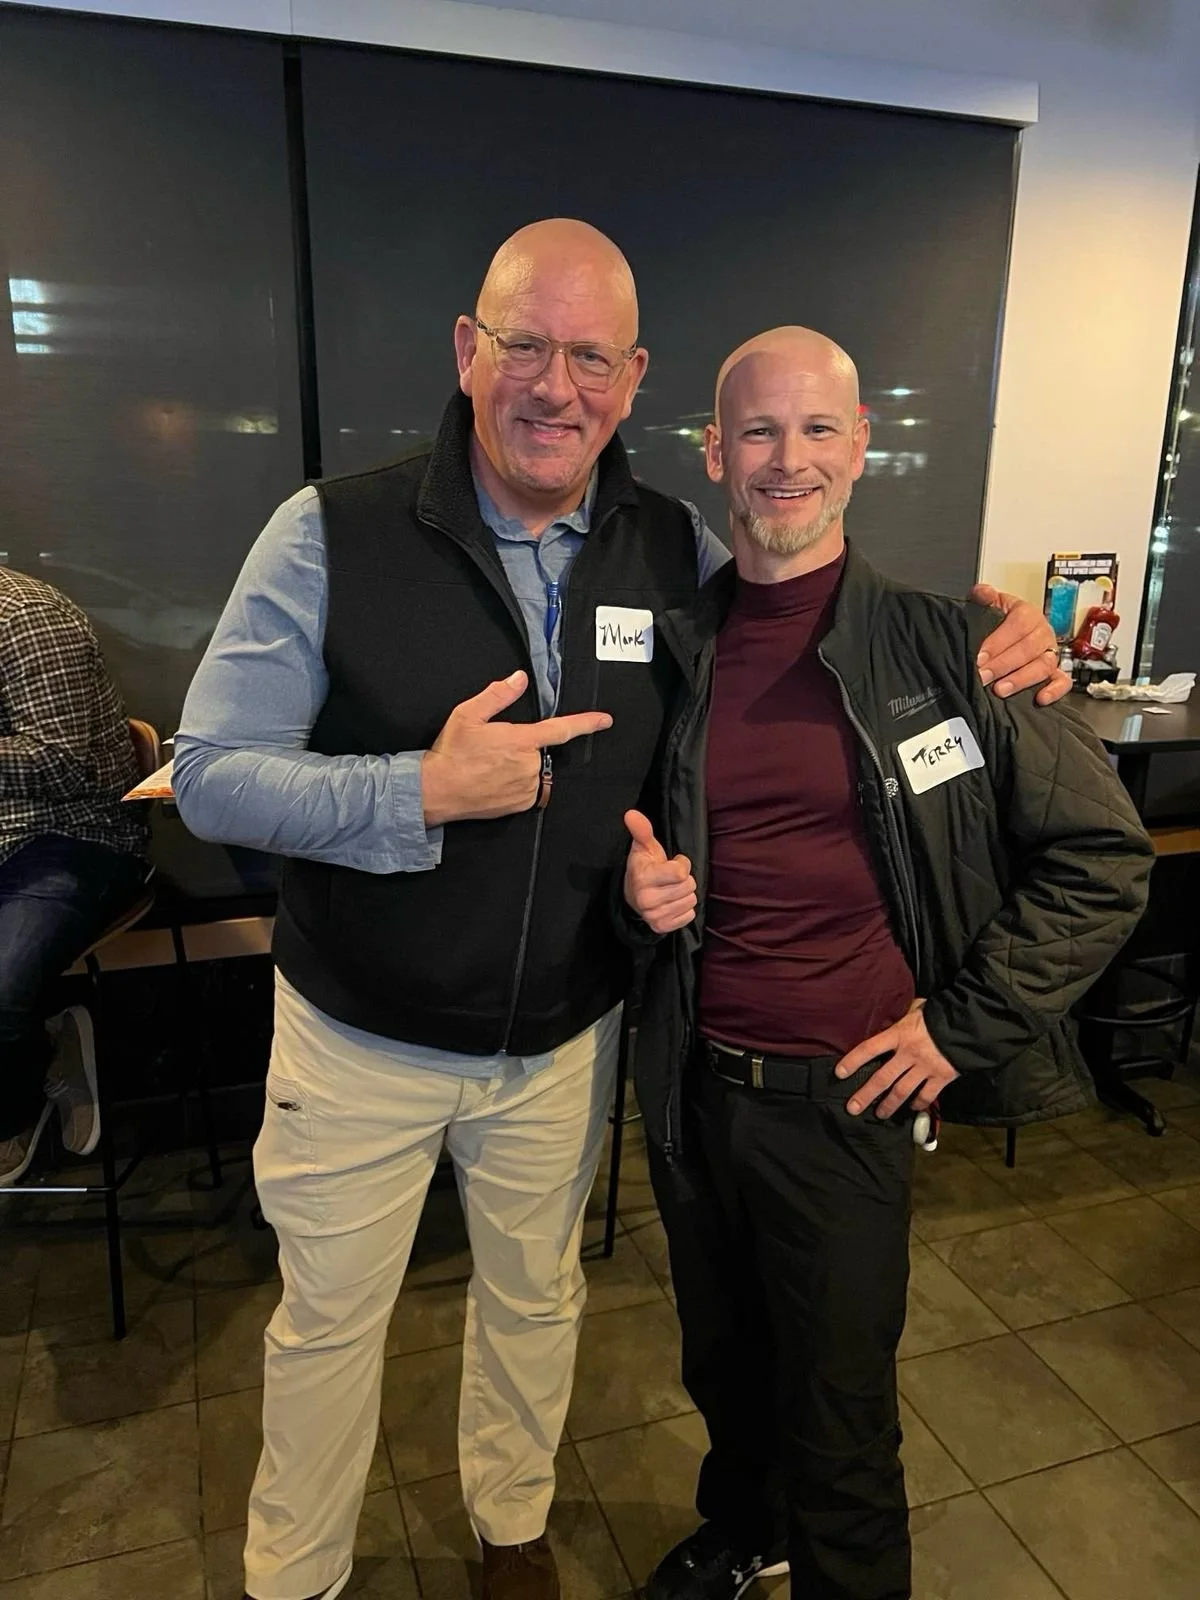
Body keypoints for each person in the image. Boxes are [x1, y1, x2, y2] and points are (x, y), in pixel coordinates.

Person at [172, 220, 1068, 1600]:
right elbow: (209, 776)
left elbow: (788, 632)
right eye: (525, 345)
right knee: (329, 1329)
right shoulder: (331, 531)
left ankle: (512, 1535)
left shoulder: (674, 550)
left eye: (592, 356)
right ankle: (295, 1580)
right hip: (363, 1036)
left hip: (566, 1040)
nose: (557, 385)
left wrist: (1011, 641)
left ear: (634, 379)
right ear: (469, 352)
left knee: (537, 1305)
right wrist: (416, 790)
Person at [621, 326, 1154, 1600]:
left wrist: (958, 1031)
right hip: (694, 1088)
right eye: (758, 430)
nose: (787, 458)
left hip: (845, 1103)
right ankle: (746, 1530)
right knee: (724, 1366)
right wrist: (635, 897)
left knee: (840, 1416)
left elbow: (1104, 858)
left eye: (818, 429)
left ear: (861, 446)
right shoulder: (673, 651)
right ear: (714, 452)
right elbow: (617, 837)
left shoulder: (952, 648)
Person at [0, 565, 149, 1186]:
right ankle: (44, 1035)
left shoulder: (25, 617)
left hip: (70, 835)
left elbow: (61, 764)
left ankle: (13, 1110)